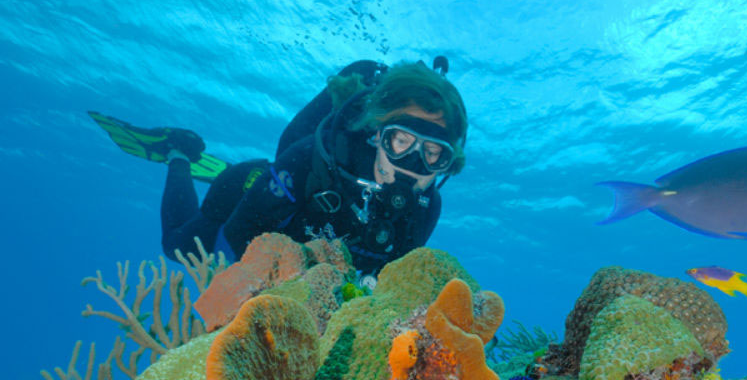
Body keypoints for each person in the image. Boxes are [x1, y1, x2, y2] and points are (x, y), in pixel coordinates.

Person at [92, 58, 467, 276]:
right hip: (253, 191)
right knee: (177, 247)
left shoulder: (426, 207)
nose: (413, 166)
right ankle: (177, 153)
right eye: (401, 142)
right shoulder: (312, 160)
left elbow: (391, 277)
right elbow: (232, 244)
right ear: (376, 134)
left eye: (434, 154)